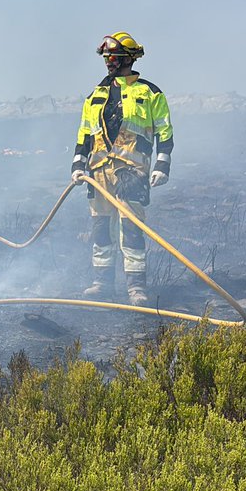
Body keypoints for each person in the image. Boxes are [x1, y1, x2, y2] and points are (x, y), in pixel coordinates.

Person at [70, 31, 173, 305]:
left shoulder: (149, 93)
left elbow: (164, 132)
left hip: (132, 171)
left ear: (128, 58)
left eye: (113, 56)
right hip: (98, 172)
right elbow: (84, 134)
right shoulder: (96, 96)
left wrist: (163, 165)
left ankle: (136, 289)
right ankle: (102, 284)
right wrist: (78, 164)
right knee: (101, 229)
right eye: (106, 57)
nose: (109, 62)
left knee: (132, 229)